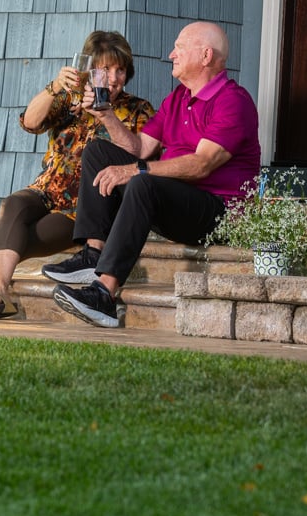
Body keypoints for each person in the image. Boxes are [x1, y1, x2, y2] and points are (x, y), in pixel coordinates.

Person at [0, 31, 155, 319]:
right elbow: (30, 122)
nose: (113, 77)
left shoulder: (137, 110)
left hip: (82, 209)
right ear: (89, 70)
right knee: (13, 205)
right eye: (105, 69)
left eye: (120, 70)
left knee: (21, 240)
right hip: (46, 189)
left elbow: (138, 156)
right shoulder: (69, 98)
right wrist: (55, 86)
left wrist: (104, 114)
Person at [41, 21, 260, 328]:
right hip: (175, 200)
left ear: (206, 55)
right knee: (99, 152)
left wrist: (136, 170)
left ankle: (104, 294)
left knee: (143, 181)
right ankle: (93, 254)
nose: (171, 54)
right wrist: (105, 115)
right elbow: (140, 147)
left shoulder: (233, 101)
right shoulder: (178, 99)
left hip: (217, 211)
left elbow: (202, 165)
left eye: (180, 48)